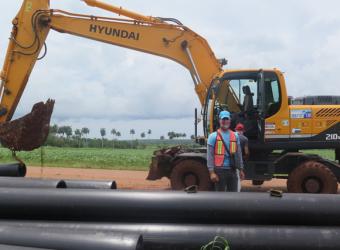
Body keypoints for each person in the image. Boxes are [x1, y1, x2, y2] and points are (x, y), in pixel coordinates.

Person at [207, 110, 245, 192]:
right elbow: (210, 156)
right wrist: (211, 172)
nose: (225, 121)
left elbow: (239, 154)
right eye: (223, 119)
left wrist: (241, 169)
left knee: (233, 197)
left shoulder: (235, 136)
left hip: (232, 170)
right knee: (220, 198)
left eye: (227, 119)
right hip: (219, 171)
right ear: (219, 120)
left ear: (230, 120)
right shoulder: (213, 136)